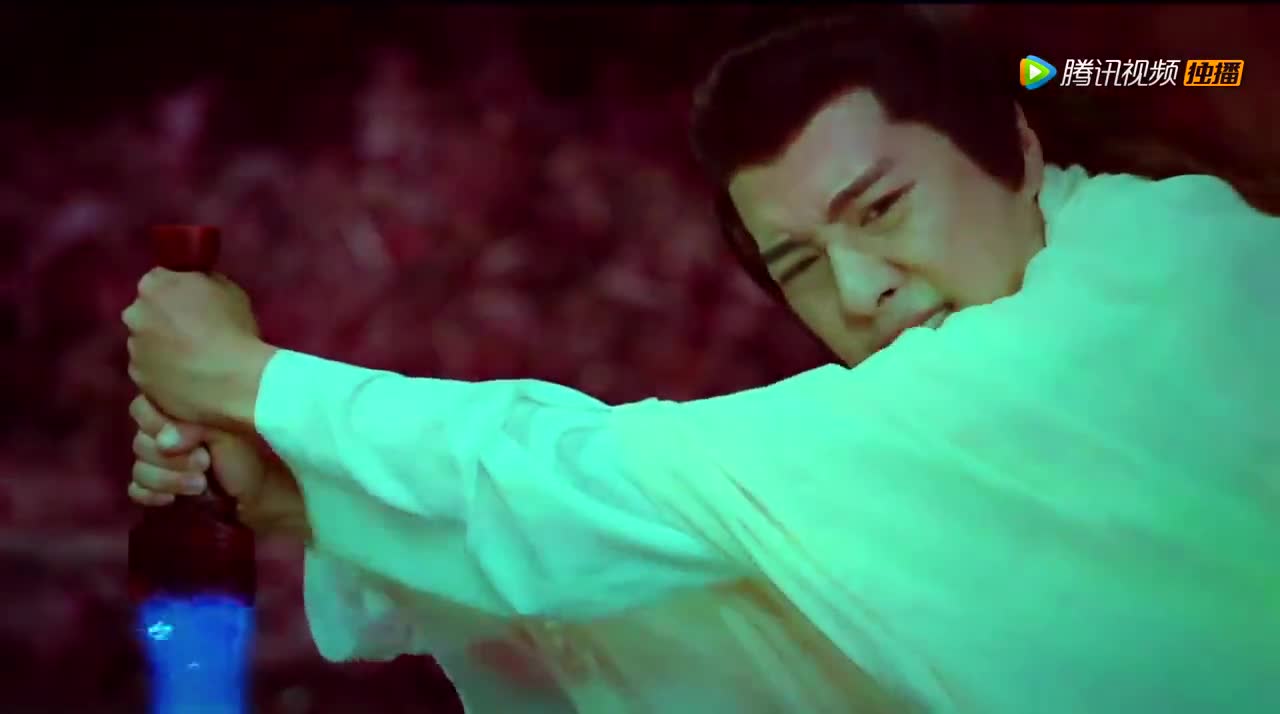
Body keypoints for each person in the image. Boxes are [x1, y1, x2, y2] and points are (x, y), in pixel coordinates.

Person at [121, 9, 1280, 714]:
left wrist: (246, 381)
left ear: (1015, 151)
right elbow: (699, 563)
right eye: (798, 264)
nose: (858, 291)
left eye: (881, 209)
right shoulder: (1042, 314)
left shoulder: (1156, 281)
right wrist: (298, 492)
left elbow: (643, 482)